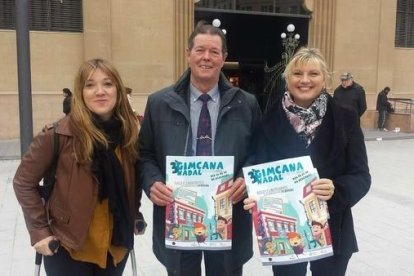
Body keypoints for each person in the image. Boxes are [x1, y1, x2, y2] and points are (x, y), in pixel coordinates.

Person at [138, 21, 262, 276]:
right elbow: (144, 154)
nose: (206, 57)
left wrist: (245, 178)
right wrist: (152, 183)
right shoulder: (159, 102)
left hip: (228, 216)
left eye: (214, 52)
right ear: (188, 54)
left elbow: (259, 152)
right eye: (200, 50)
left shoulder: (246, 103)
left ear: (224, 58)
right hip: (178, 215)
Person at [243, 48, 371, 276]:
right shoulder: (267, 120)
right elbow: (256, 168)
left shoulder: (346, 117)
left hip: (334, 227)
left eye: (313, 73)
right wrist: (254, 195)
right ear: (287, 79)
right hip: (285, 230)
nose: (304, 80)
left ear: (324, 78)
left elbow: (361, 176)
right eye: (297, 73)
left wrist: (336, 189)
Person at [14, 58, 145, 275]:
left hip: (115, 247)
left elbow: (134, 182)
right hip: (69, 248)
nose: (100, 91)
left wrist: (135, 214)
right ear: (80, 92)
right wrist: (39, 230)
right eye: (90, 85)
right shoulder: (58, 135)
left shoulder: (129, 136)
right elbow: (23, 181)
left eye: (108, 84)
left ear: (118, 90)